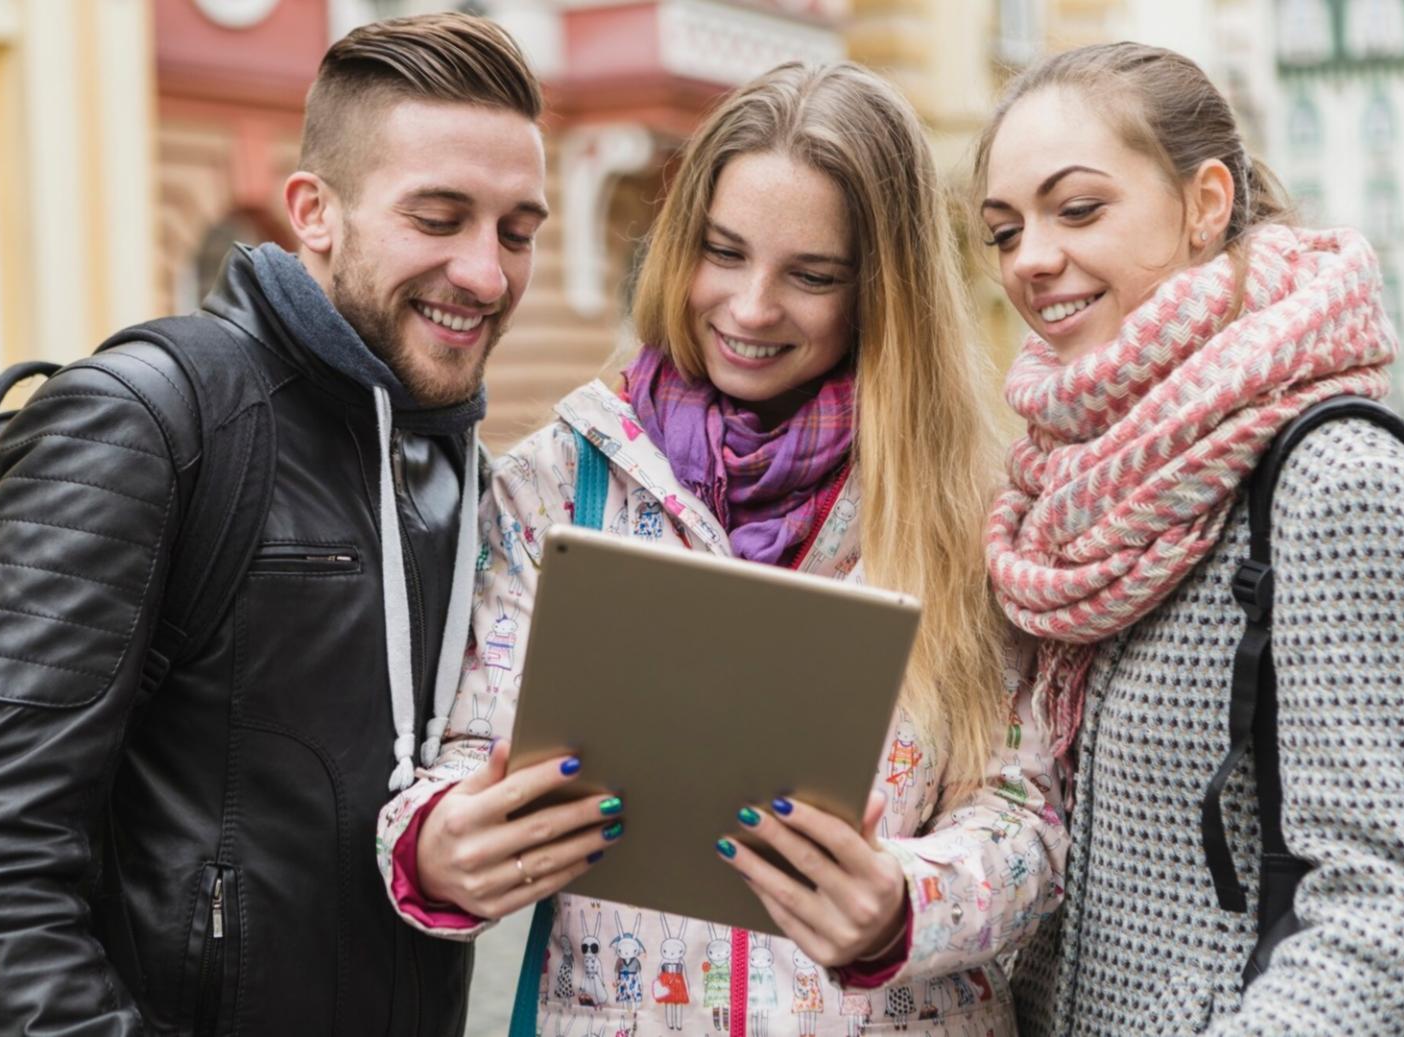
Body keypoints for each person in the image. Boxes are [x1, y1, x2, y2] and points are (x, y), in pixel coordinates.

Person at [376, 61, 1069, 1036]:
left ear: (884, 289)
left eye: (811, 275)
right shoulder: (557, 480)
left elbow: (1026, 814)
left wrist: (903, 900)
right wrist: (436, 844)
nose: (749, 308)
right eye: (723, 252)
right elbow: (459, 754)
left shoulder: (970, 504)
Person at [0, 14, 547, 1036]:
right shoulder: (145, 422)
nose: (486, 274)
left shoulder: (451, 468)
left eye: (517, 232)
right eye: (439, 218)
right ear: (313, 210)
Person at [974, 42, 1404, 1037]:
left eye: (1076, 209)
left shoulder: (1336, 481)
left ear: (1206, 202)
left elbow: (1379, 902)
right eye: (1003, 229)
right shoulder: (1062, 493)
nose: (1030, 257)